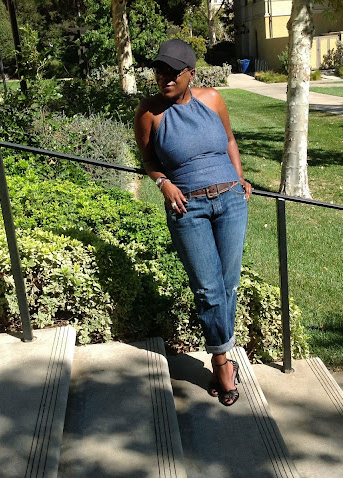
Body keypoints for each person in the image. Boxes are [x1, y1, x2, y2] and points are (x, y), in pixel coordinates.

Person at [134, 39, 251, 406]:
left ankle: (222, 352)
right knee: (208, 288)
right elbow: (148, 160)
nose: (165, 78)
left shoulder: (212, 99)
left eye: (173, 72)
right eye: (159, 71)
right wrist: (163, 183)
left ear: (191, 74)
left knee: (228, 285)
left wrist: (240, 178)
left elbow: (229, 141)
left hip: (231, 201)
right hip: (188, 208)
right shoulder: (149, 113)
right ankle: (222, 362)